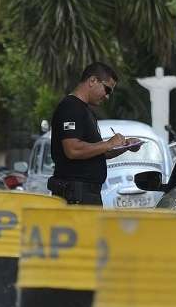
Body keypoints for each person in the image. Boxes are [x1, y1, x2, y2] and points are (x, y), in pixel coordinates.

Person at [47, 62, 140, 206]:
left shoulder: (85, 110)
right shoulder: (71, 107)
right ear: (92, 81)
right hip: (75, 195)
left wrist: (125, 146)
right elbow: (73, 150)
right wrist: (109, 144)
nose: (107, 96)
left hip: (86, 193)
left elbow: (97, 152)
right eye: (107, 90)